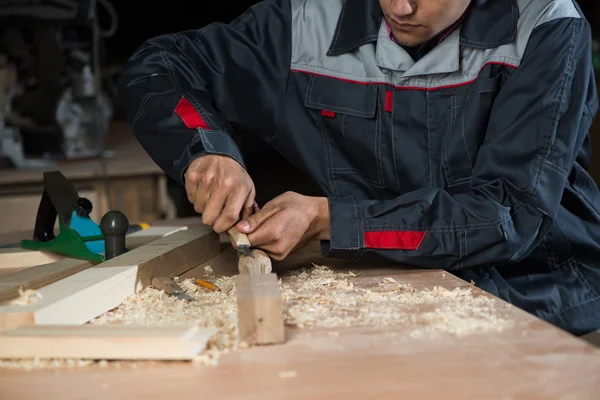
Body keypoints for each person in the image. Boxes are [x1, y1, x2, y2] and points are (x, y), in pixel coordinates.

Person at [117, 0, 600, 337]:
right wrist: (206, 151)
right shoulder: (309, 20)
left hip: (535, 286)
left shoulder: (547, 24)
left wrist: (333, 221)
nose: (399, 8)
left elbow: (507, 215)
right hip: (381, 277)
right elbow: (160, 65)